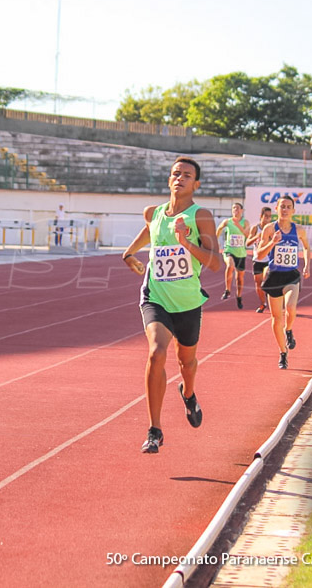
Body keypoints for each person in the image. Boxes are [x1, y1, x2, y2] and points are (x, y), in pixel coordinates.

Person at [122, 157, 221, 454]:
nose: (180, 178)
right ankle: (155, 429)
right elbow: (150, 232)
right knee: (156, 353)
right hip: (157, 297)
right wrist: (129, 254)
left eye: (187, 175)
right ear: (169, 180)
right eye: (175, 174)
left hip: (188, 302)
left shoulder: (200, 216)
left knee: (186, 364)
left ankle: (188, 394)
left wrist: (185, 243)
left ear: (196, 184)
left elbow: (215, 263)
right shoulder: (152, 213)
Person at [255, 195, 311, 370]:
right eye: (282, 207)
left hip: (291, 276)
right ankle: (282, 352)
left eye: (288, 207)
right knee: (276, 318)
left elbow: (307, 248)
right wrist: (273, 242)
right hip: (274, 276)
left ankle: (289, 330)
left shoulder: (299, 230)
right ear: (277, 209)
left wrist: (307, 265)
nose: (285, 210)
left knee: (291, 307)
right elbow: (260, 255)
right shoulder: (269, 229)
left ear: (293, 211)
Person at [216, 202, 250, 309]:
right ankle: (227, 290)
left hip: (241, 253)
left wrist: (238, 225)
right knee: (230, 265)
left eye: (237, 208)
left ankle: (239, 297)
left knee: (239, 278)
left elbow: (247, 235)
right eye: (233, 208)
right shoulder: (227, 221)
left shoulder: (245, 222)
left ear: (242, 211)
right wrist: (215, 240)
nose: (235, 210)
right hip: (229, 250)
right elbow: (219, 229)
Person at [245, 206, 273, 313]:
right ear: (261, 216)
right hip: (257, 260)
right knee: (258, 284)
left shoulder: (271, 228)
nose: (268, 219)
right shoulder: (255, 228)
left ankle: (272, 301)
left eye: (270, 217)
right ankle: (263, 304)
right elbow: (247, 243)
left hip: (268, 259)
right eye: (266, 216)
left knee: (267, 280)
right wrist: (257, 236)